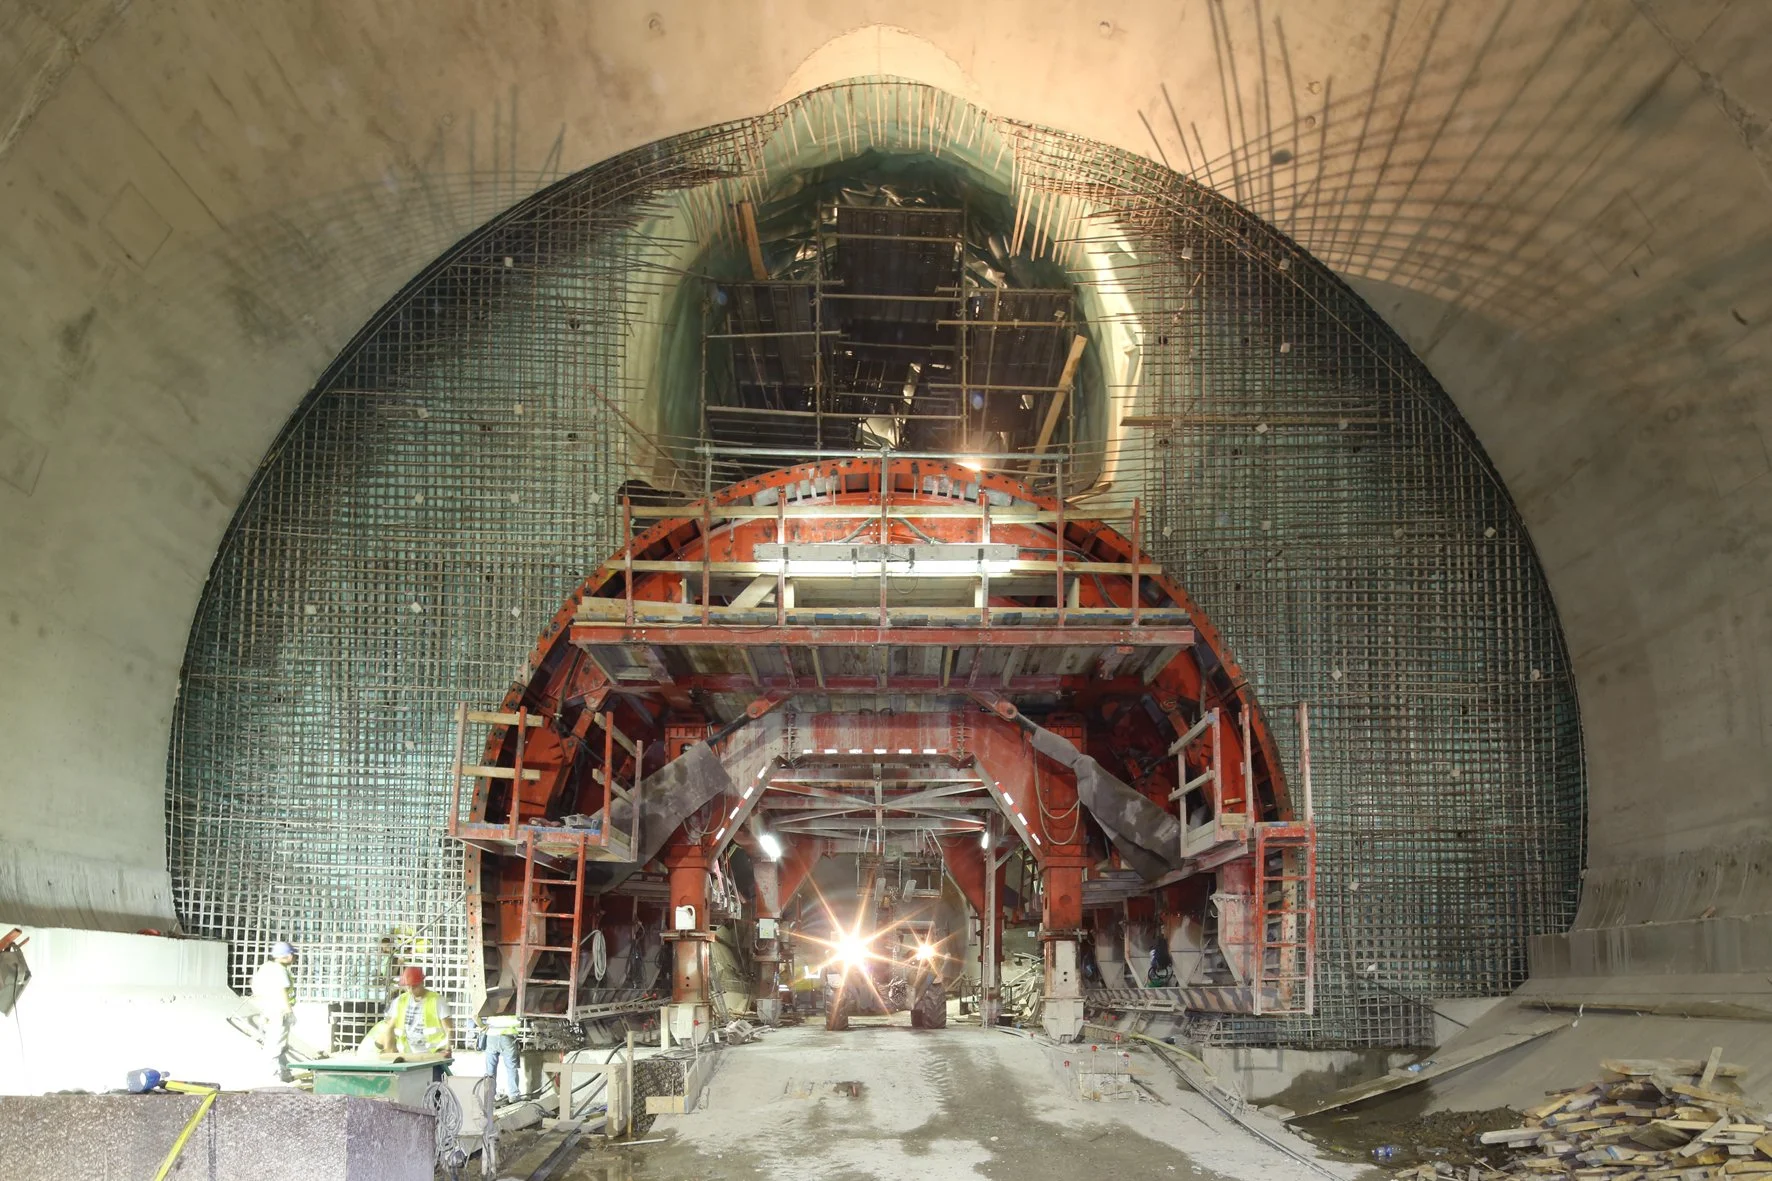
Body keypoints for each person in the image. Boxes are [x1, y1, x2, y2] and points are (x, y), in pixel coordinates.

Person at [249, 941, 298, 1081]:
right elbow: (281, 990)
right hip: (279, 1013)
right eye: (292, 954)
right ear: (287, 956)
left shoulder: (266, 968)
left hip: (268, 1011)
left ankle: (284, 1075)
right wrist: (288, 1011)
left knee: (279, 1045)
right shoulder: (279, 970)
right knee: (276, 1046)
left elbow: (254, 984)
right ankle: (273, 1078)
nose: (294, 957)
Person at [377, 966, 453, 1056]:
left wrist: (448, 1048)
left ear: (422, 983)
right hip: (408, 1053)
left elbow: (449, 1028)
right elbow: (390, 1027)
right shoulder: (401, 1000)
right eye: (408, 987)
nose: (411, 990)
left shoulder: (437, 1000)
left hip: (433, 1053)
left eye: (415, 986)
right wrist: (389, 1050)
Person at [479, 1009, 521, 1101]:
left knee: (490, 1068)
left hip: (491, 1035)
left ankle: (490, 1096)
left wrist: (482, 1026)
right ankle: (514, 1095)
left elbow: (474, 1015)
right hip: (508, 1035)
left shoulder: (492, 999)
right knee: (511, 1067)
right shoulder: (513, 1000)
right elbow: (520, 1019)